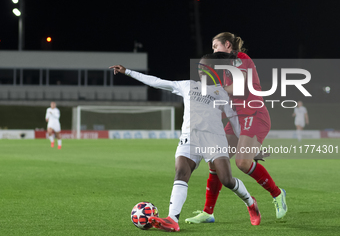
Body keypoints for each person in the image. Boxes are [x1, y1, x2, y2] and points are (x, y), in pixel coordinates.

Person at [110, 53, 261, 232]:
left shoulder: (222, 92)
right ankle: (172, 219)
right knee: (181, 172)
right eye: (199, 68)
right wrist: (128, 72)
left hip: (214, 139)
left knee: (227, 180)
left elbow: (235, 122)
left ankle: (251, 203)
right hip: (190, 137)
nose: (200, 71)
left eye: (204, 68)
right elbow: (157, 81)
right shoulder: (187, 86)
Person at [186, 33, 287, 224]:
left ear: (227, 45)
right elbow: (224, 98)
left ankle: (277, 193)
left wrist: (213, 88)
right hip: (236, 119)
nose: (214, 50)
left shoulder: (240, 59)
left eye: (216, 46)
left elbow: (239, 87)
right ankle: (208, 213)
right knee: (215, 163)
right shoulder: (223, 69)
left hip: (253, 115)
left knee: (242, 163)